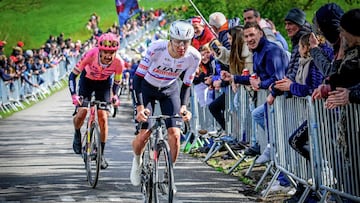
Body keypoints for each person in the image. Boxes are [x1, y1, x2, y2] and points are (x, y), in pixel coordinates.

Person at [130, 20, 201, 187]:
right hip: (146, 88)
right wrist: (140, 107)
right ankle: (137, 160)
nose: (181, 46)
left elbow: (186, 84)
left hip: (170, 90)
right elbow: (137, 78)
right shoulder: (156, 49)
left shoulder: (194, 56)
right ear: (170, 39)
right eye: (177, 41)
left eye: (186, 42)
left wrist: (184, 106)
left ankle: (170, 172)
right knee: (144, 134)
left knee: (175, 134)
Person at [68, 33, 124, 170]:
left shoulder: (119, 63)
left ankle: (101, 154)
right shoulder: (91, 54)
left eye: (111, 52)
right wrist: (74, 95)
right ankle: (77, 132)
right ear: (100, 50)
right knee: (83, 112)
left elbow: (117, 82)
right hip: (86, 82)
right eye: (105, 52)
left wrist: (115, 96)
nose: (108, 56)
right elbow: (72, 76)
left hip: (104, 85)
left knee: (103, 117)